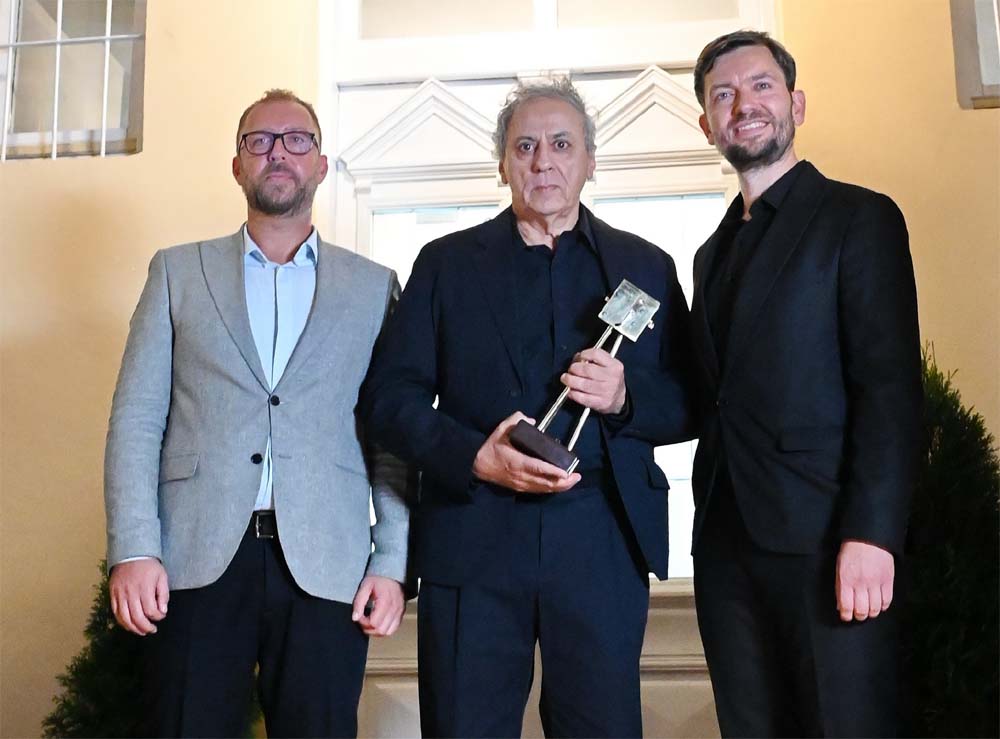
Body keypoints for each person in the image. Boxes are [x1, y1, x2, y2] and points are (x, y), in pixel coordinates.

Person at [360, 78, 698, 738]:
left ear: (590, 160)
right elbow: (388, 400)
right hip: (472, 533)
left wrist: (625, 397)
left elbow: (692, 401)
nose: (544, 161)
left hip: (602, 539)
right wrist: (474, 457)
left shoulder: (647, 266)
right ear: (503, 163)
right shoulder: (444, 264)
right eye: (525, 146)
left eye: (562, 144)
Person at [103, 89, 411, 738]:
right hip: (194, 555)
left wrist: (391, 560)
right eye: (259, 140)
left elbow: (392, 437)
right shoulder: (177, 272)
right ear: (237, 164)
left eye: (297, 139)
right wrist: (134, 547)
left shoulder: (374, 286)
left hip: (327, 562)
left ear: (320, 164)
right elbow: (137, 419)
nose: (278, 152)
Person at [689, 31, 922, 737]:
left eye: (761, 86)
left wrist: (873, 534)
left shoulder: (860, 218)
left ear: (796, 104)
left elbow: (890, 391)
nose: (744, 105)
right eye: (723, 95)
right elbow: (710, 396)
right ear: (707, 124)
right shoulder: (709, 253)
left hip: (829, 544)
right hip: (725, 551)